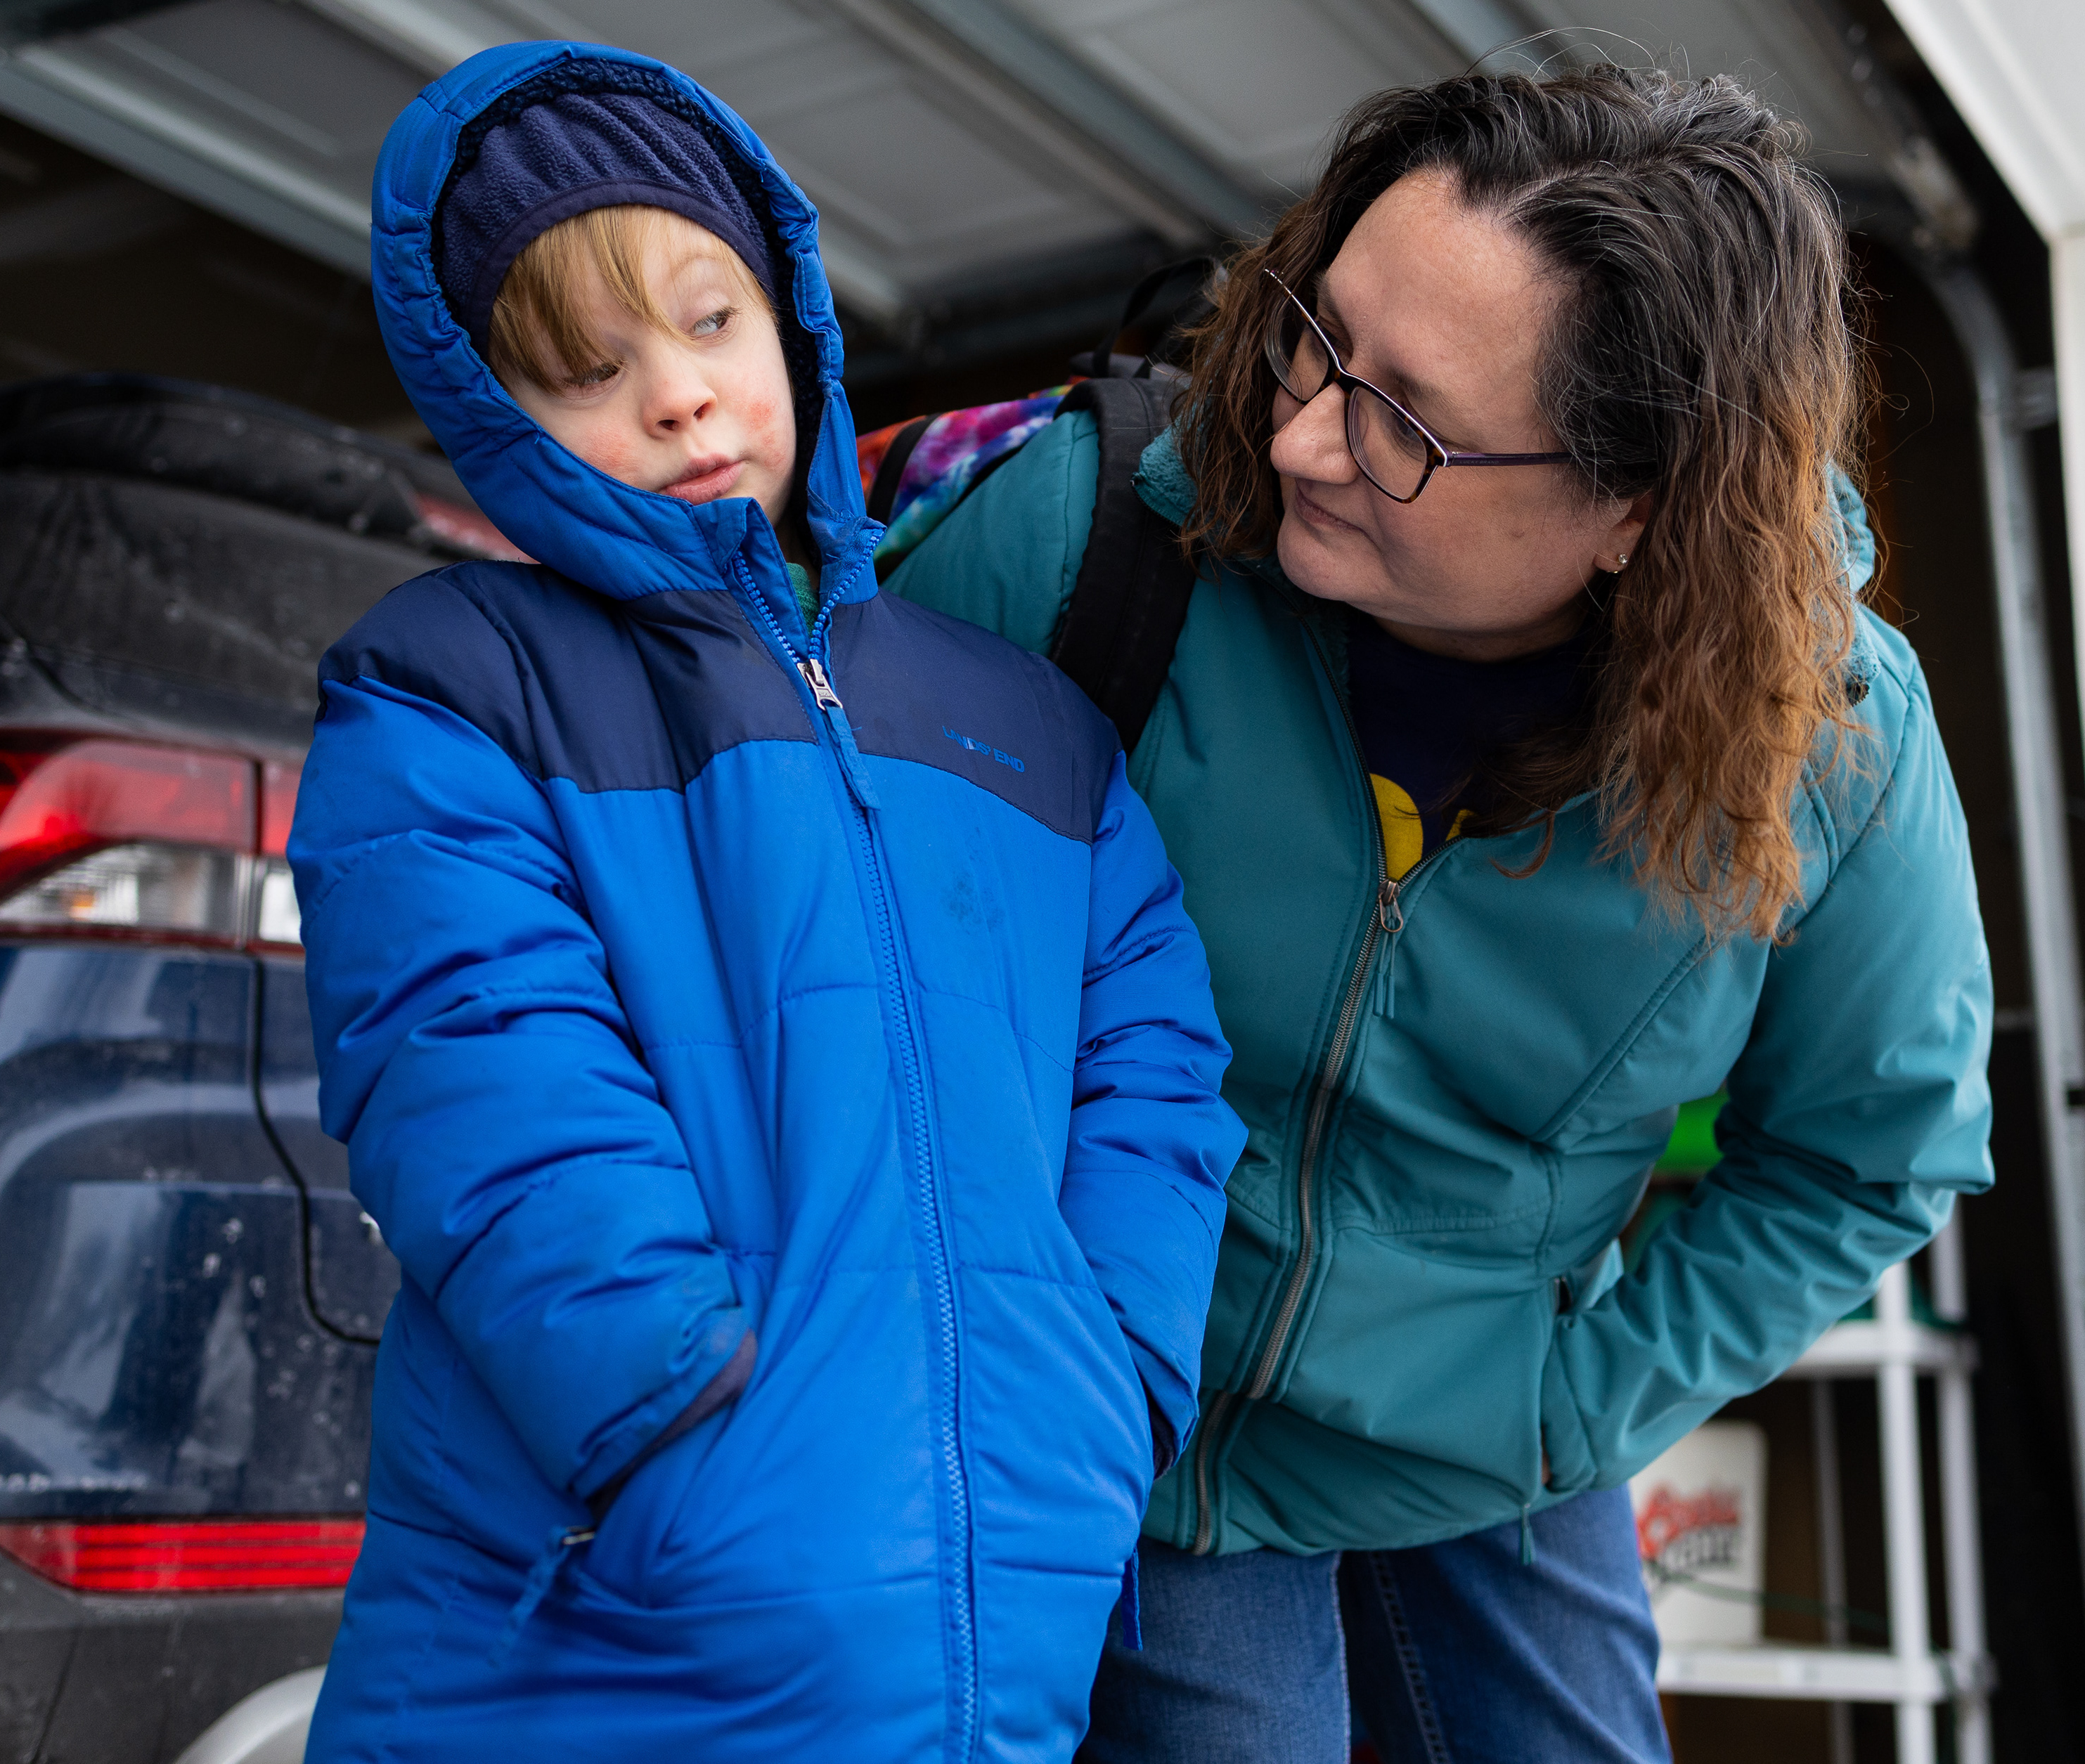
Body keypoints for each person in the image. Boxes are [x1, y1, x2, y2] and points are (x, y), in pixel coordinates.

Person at [889, 66, 1994, 1763]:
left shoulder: (1827, 743)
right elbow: (821, 938)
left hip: (1488, 1418)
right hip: (1122, 1404)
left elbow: (1869, 1152)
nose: (1294, 436)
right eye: (1313, 339)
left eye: (1403, 420)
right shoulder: (1080, 540)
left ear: (1642, 511)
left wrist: (1569, 1408)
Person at [294, 43, 1244, 1763]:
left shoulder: (1022, 718)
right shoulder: (451, 688)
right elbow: (475, 1065)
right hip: (610, 1620)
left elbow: (1162, 1067)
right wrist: (669, 1410)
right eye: (588, 369)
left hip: (1001, 1593)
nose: (677, 395)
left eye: (710, 319)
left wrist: (1105, 1375)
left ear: (791, 319)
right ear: (494, 416)